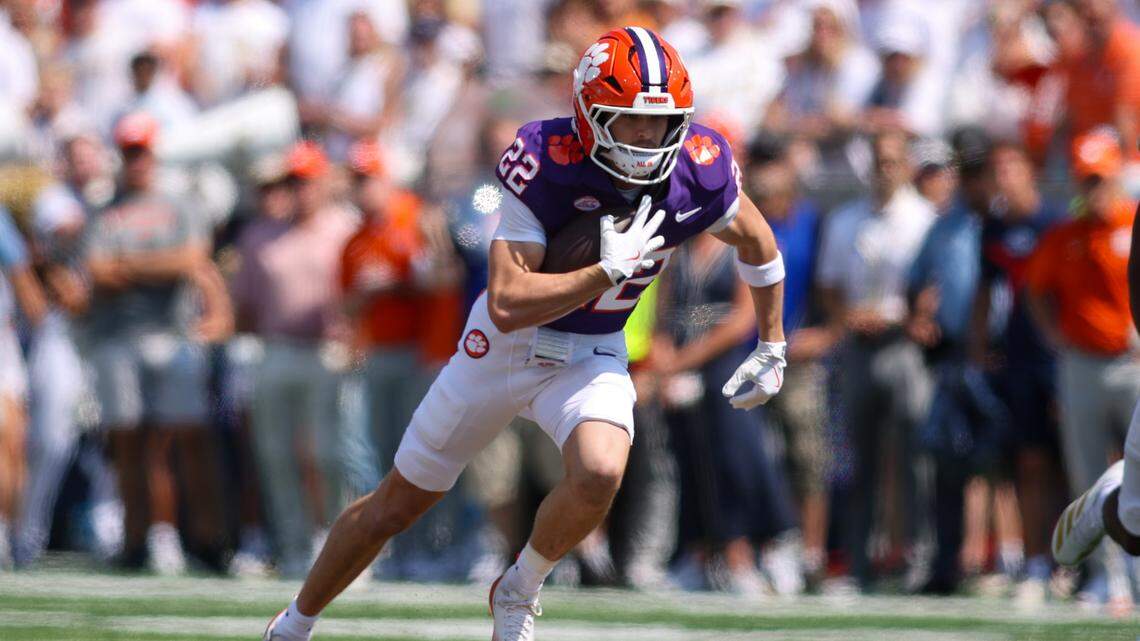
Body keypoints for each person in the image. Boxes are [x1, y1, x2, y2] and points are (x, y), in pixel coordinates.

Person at [263, 27, 787, 641]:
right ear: (589, 117)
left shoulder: (698, 165)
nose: (648, 139)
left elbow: (757, 242)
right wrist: (602, 271)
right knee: (398, 503)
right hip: (503, 348)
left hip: (592, 349)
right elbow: (510, 302)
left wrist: (772, 343)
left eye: (661, 122)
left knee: (599, 471)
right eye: (630, 122)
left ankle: (519, 587)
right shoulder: (546, 160)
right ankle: (296, 622)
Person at [84, 112, 231, 575]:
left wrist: (128, 265)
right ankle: (137, 538)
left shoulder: (179, 204)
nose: (137, 161)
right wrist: (155, 265)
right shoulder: (106, 210)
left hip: (171, 334)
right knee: (127, 440)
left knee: (186, 437)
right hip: (119, 337)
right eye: (129, 152)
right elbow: (96, 271)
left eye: (142, 151)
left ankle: (205, 538)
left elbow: (191, 259)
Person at [230, 140, 358, 579]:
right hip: (276, 348)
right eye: (292, 182)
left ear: (322, 184)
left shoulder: (344, 229)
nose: (299, 191)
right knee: (275, 452)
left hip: (329, 351)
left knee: (328, 452)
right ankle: (291, 545)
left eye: (305, 182)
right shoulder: (260, 235)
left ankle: (338, 541)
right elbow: (243, 304)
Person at [816, 129, 936, 590]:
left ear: (905, 166)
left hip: (904, 344)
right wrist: (848, 316)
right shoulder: (848, 219)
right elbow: (829, 284)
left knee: (913, 457)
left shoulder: (923, 218)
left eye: (892, 162)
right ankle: (860, 561)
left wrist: (909, 314)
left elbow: (933, 282)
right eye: (878, 163)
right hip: (860, 344)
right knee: (857, 459)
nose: (884, 171)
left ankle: (917, 557)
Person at [1048, 131, 1140, 577]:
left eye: (1099, 179)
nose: (1093, 191)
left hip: (1129, 364)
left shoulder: (1127, 221)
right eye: (1086, 181)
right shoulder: (1068, 235)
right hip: (1087, 361)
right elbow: (1036, 290)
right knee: (1134, 521)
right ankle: (1105, 576)